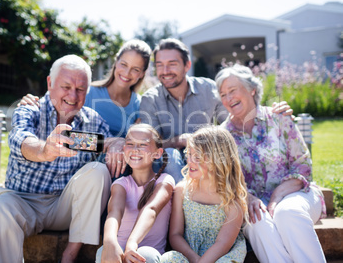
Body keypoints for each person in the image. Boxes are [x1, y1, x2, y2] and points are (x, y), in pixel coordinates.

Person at [0, 54, 125, 263]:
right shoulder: (29, 110)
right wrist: (44, 150)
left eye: (81, 89)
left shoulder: (94, 121)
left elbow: (106, 142)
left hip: (64, 208)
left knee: (98, 171)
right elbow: (21, 141)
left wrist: (116, 143)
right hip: (23, 201)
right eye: (66, 86)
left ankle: (70, 254)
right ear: (50, 83)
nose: (73, 96)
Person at [139, 38, 293, 183]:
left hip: (207, 156)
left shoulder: (209, 88)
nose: (165, 71)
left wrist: (272, 115)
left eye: (172, 64)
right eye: (160, 65)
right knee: (171, 156)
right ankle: (186, 205)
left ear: (187, 65)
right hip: (170, 167)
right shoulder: (150, 99)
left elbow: (234, 122)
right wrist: (177, 141)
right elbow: (151, 146)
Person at [215, 64, 326, 263]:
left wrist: (276, 197)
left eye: (232, 90)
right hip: (253, 204)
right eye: (223, 94)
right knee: (257, 223)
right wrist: (247, 197)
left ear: (251, 88)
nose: (228, 98)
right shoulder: (223, 135)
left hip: (297, 193)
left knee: (287, 212)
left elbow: (302, 165)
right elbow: (227, 179)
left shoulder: (279, 118)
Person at [20, 39, 151, 138]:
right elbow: (58, 128)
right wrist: (32, 101)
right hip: (84, 164)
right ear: (116, 62)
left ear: (142, 74)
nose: (127, 73)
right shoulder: (85, 92)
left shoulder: (140, 105)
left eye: (136, 69)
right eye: (124, 64)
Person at [161, 126, 248, 263]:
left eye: (197, 157)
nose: (190, 161)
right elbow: (175, 234)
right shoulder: (182, 191)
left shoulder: (232, 200)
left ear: (218, 160)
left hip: (219, 256)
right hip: (189, 254)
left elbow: (222, 244)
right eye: (189, 154)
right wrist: (193, 258)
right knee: (168, 259)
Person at [96, 124, 175, 263]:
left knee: (147, 255)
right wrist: (109, 241)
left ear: (157, 153)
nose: (135, 149)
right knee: (102, 251)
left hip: (143, 252)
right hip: (119, 251)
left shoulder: (165, 181)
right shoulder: (121, 184)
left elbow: (151, 209)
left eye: (142, 144)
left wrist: (132, 244)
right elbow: (114, 212)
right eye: (130, 144)